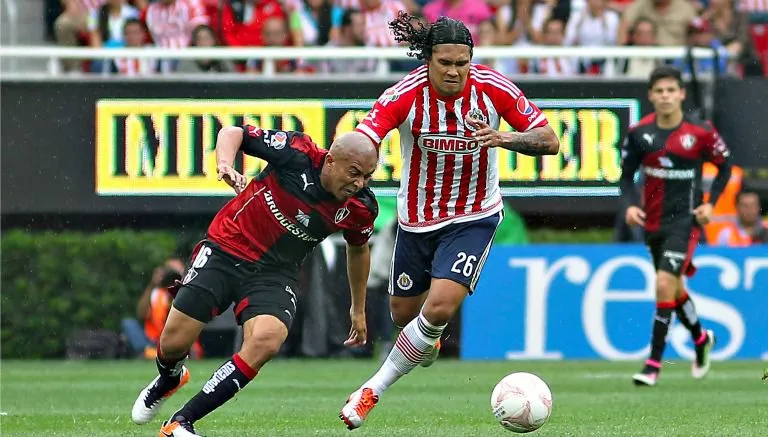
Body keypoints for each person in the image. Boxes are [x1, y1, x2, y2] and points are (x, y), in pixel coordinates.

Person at [339, 12, 559, 430]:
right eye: (445, 63)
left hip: (474, 216)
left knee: (439, 306)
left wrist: (503, 137)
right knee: (405, 316)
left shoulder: (493, 89)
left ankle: (371, 390)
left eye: (462, 63)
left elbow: (549, 139)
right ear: (428, 60)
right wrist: (353, 163)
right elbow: (367, 135)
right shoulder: (404, 93)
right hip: (417, 219)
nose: (455, 71)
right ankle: (429, 337)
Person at [130, 127, 379, 437]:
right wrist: (224, 164)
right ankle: (169, 377)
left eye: (367, 177)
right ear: (330, 161)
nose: (359, 183)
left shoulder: (361, 208)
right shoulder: (297, 152)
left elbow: (358, 250)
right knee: (172, 344)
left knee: (267, 339)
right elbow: (233, 132)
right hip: (227, 248)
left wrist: (358, 307)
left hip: (274, 274)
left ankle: (182, 422)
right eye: (354, 173)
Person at [619, 66, 731, 387]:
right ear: (651, 96)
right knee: (674, 289)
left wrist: (710, 202)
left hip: (686, 221)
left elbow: (725, 166)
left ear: (681, 94)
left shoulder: (700, 132)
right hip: (653, 222)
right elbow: (626, 176)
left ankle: (653, 363)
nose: (666, 96)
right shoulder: (640, 133)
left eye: (671, 90)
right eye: (660, 91)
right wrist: (629, 206)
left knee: (664, 283)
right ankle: (700, 338)